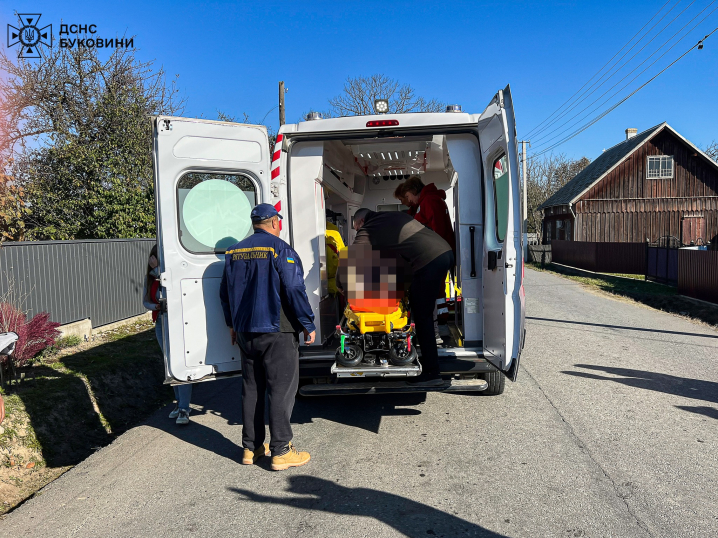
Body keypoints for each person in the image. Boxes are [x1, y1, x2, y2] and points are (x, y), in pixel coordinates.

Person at [220, 203, 315, 471]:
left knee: (251, 389)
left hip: (246, 331)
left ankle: (251, 448)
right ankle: (282, 450)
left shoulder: (234, 252)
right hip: (278, 330)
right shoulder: (280, 249)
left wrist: (232, 324)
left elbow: (225, 292)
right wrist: (307, 322)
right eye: (279, 221)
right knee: (281, 390)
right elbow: (294, 287)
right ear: (274, 222)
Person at [349, 208, 453, 386]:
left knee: (422, 316)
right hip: (443, 252)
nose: (358, 232)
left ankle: (432, 373)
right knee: (418, 304)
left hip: (429, 261)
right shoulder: (389, 216)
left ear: (360, 223)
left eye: (356, 229)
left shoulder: (369, 227)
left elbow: (353, 258)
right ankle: (421, 356)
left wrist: (343, 286)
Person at [143, 245, 193, 425]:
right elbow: (146, 301)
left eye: (157, 259)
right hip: (160, 323)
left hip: (177, 323)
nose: (155, 262)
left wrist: (157, 270)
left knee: (180, 363)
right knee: (169, 364)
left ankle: (184, 408)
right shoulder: (150, 279)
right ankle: (180, 403)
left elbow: (171, 292)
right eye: (154, 258)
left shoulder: (170, 274)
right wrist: (155, 307)